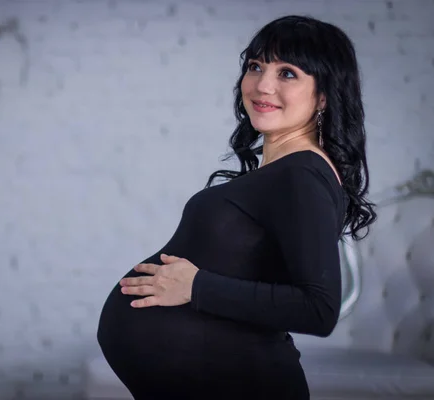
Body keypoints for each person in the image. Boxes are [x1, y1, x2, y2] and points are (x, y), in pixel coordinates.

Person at [96, 15, 377, 400]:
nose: (263, 84)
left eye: (288, 73)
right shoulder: (284, 172)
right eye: (256, 66)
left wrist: (196, 286)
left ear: (324, 95)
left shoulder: (301, 176)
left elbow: (319, 308)